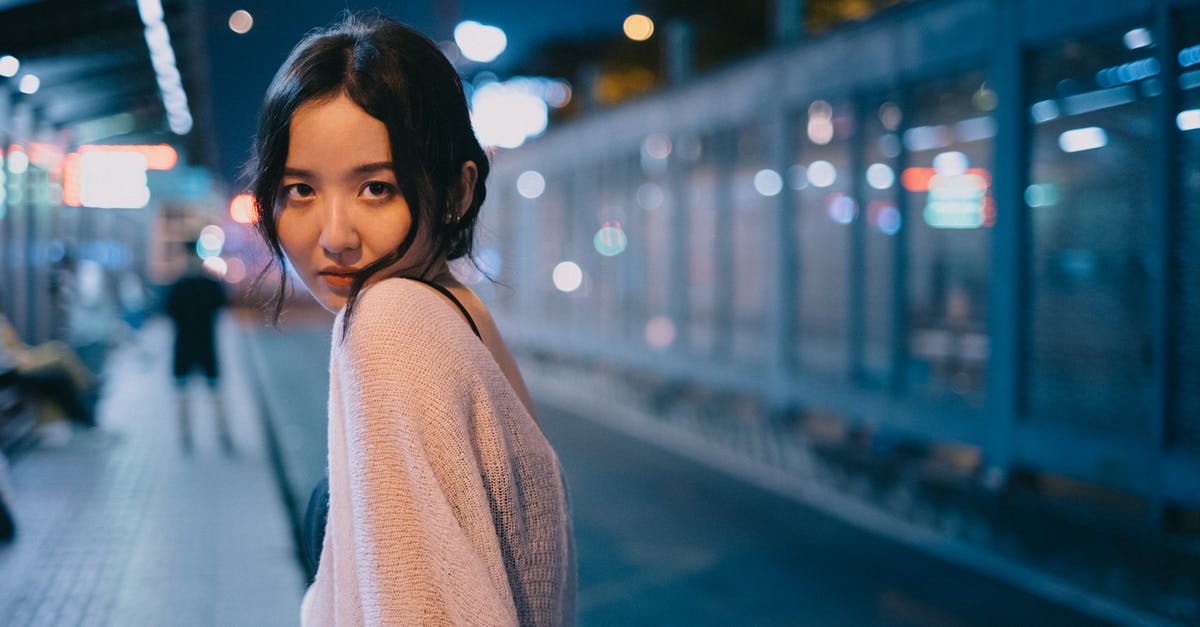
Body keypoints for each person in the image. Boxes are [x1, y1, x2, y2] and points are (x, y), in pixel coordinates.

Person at [246, 14, 575, 625]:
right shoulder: (461, 315)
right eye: (300, 190)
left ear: (456, 190)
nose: (336, 236)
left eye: (376, 188)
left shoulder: (392, 320)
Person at [164, 247, 232, 453]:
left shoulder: (177, 286)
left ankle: (185, 435)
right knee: (215, 392)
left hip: (183, 346)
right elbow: (223, 306)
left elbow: (167, 311)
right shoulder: (211, 285)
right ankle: (223, 434)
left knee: (182, 393)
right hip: (207, 345)